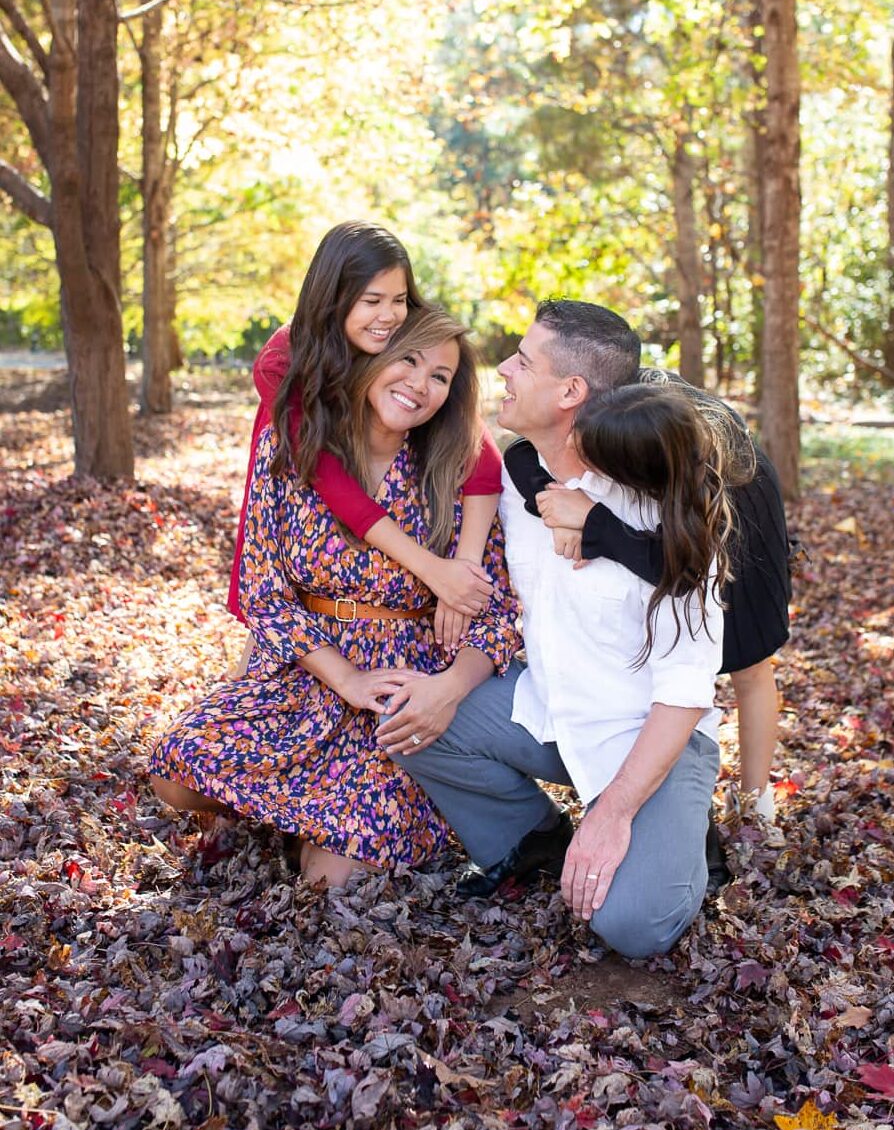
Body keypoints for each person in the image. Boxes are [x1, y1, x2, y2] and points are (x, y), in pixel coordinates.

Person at [387, 300, 732, 958]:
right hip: (549, 711)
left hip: (650, 738)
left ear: (571, 390)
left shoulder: (666, 510)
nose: (506, 370)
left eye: (524, 359)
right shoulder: (520, 479)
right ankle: (530, 840)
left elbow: (686, 692)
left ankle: (684, 838)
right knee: (411, 714)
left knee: (634, 926)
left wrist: (614, 812)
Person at [150, 308, 520, 885]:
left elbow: (498, 615)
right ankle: (299, 812)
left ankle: (324, 826)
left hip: (401, 687)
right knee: (175, 772)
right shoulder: (296, 445)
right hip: (309, 668)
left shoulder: (456, 471)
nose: (421, 385)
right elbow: (264, 592)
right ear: (369, 359)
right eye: (409, 359)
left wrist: (447, 690)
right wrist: (344, 678)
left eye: (442, 377)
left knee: (329, 881)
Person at [509, 365, 792, 823]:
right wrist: (554, 502)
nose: (574, 450)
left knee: (749, 659)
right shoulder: (610, 415)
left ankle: (755, 802)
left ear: (628, 478)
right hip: (668, 464)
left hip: (744, 497)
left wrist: (596, 524)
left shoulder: (690, 489)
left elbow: (681, 570)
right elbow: (521, 453)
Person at [227, 222, 501, 662]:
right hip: (310, 477)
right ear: (332, 299)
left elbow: (481, 459)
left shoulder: (403, 342)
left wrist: (462, 573)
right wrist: (434, 571)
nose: (389, 316)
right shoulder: (284, 363)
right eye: (371, 301)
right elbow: (333, 485)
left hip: (389, 591)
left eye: (399, 300)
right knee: (288, 568)